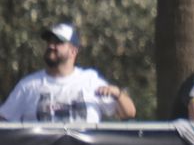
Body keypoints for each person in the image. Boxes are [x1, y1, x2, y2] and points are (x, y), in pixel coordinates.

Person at [0, 22, 136, 123]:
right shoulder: (29, 85)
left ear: (73, 51)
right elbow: (4, 120)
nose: (51, 46)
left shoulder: (90, 81)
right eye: (49, 42)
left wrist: (117, 94)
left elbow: (129, 113)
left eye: (58, 42)